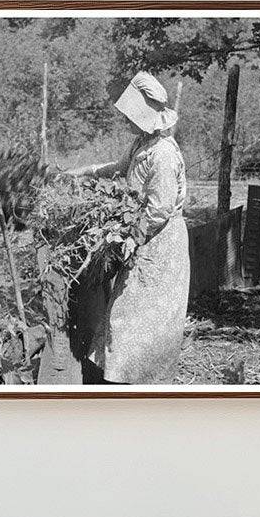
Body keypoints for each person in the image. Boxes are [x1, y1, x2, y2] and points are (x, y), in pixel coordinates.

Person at [67, 71, 190, 384]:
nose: (125, 122)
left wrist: (130, 237)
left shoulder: (162, 153)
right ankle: (123, 377)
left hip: (160, 244)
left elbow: (159, 208)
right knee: (127, 313)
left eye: (129, 116)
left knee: (142, 316)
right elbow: (119, 169)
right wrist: (82, 173)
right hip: (144, 236)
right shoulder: (142, 143)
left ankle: (142, 382)